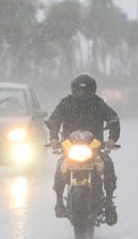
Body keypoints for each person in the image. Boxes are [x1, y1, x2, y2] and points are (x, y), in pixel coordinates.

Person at [46, 73, 120, 225]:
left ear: (92, 90)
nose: (82, 94)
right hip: (69, 147)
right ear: (74, 90)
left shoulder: (98, 103)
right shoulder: (66, 103)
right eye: (79, 91)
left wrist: (112, 139)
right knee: (60, 166)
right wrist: (53, 138)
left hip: (94, 148)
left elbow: (113, 118)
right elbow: (54, 120)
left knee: (107, 163)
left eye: (85, 91)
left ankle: (108, 202)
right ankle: (59, 201)